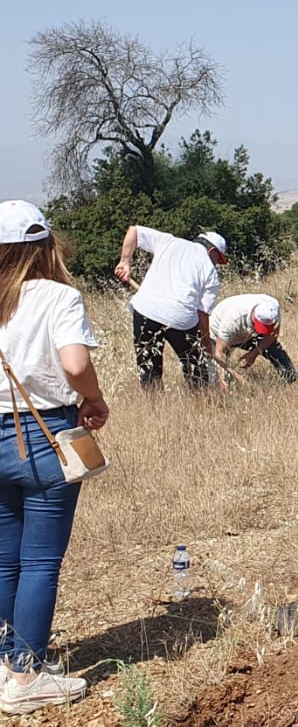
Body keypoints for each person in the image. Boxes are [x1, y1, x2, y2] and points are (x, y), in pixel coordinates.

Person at [0, 200, 109, 715]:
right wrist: (93, 398)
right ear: (45, 245)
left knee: (4, 559)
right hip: (45, 434)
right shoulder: (58, 296)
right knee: (40, 561)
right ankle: (26, 675)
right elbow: (74, 361)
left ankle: (5, 661)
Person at [114, 225, 225, 390]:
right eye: (218, 259)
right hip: (181, 318)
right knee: (195, 367)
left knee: (149, 367)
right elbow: (202, 314)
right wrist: (206, 346)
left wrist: (125, 261)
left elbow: (134, 231)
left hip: (146, 310)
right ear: (212, 251)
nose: (217, 263)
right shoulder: (210, 271)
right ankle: (202, 401)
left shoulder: (169, 241)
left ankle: (155, 408)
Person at [209, 294, 297, 386]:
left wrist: (253, 354)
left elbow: (272, 335)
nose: (261, 329)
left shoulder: (273, 308)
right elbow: (219, 352)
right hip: (218, 335)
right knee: (215, 374)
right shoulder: (233, 319)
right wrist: (222, 379)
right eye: (260, 325)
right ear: (254, 314)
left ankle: (291, 379)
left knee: (273, 348)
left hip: (248, 333)